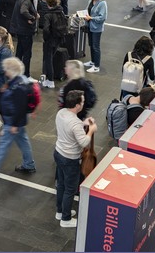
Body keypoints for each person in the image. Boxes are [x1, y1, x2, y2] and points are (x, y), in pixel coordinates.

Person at [0, 57, 36, 176]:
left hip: (13, 120)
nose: (5, 71)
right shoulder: (16, 81)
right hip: (15, 120)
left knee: (4, 143)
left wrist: (14, 125)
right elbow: (6, 91)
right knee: (23, 141)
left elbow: (20, 107)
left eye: (6, 69)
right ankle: (29, 164)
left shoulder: (18, 86)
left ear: (12, 70)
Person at [53, 89, 96, 228]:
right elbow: (84, 142)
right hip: (70, 159)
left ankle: (60, 211)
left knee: (61, 184)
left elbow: (71, 126)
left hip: (58, 153)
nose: (83, 104)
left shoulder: (61, 113)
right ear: (77, 105)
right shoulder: (75, 123)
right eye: (82, 101)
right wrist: (91, 130)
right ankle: (65, 219)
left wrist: (84, 123)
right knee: (70, 189)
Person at [8, 0, 38, 77]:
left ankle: (17, 72)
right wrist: (32, 18)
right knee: (27, 54)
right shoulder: (26, 1)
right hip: (25, 30)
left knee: (19, 52)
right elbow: (23, 11)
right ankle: (26, 75)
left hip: (19, 29)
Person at [83, 0, 107, 74]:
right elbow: (87, 10)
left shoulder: (102, 4)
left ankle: (96, 66)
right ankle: (92, 61)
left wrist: (91, 18)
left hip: (97, 28)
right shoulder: (91, 1)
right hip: (89, 26)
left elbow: (102, 17)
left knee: (96, 46)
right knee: (91, 45)